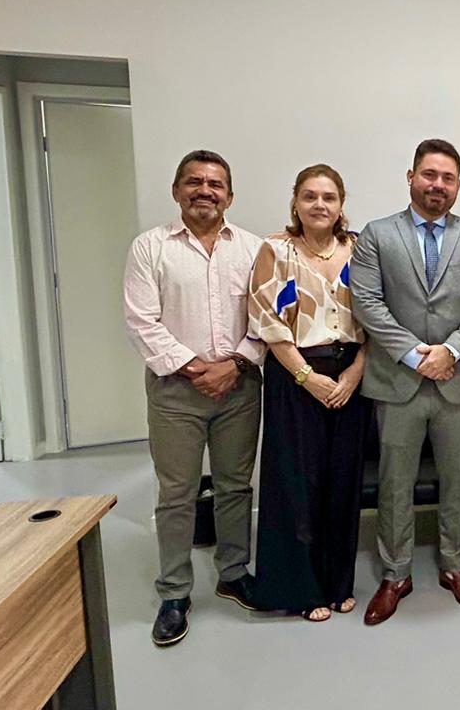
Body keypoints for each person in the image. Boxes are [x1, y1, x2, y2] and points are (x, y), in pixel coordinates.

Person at [350, 139, 460, 626]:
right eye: (429, 175)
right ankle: (396, 574)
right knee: (395, 484)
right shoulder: (377, 235)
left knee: (458, 481)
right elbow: (367, 302)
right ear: (411, 176)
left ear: (458, 185)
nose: (438, 184)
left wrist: (450, 351)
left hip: (459, 380)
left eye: (448, 178)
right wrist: (419, 355)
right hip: (397, 381)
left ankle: (455, 566)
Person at [123, 150, 263, 647]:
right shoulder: (150, 248)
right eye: (194, 182)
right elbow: (142, 319)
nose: (205, 191)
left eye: (216, 184)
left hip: (240, 386)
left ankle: (233, 572)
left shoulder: (251, 248)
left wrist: (235, 364)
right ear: (177, 190)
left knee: (235, 486)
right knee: (177, 493)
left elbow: (267, 320)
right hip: (174, 391)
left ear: (230, 194)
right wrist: (194, 367)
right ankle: (175, 592)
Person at [248, 164, 370, 622]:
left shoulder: (359, 250)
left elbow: (377, 317)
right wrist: (306, 377)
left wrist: (357, 372)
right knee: (298, 485)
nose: (320, 205)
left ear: (341, 205)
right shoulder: (275, 250)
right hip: (296, 375)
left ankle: (338, 582)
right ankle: (303, 589)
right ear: (295, 202)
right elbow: (266, 322)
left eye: (329, 197)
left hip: (351, 377)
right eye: (310, 196)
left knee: (342, 483)